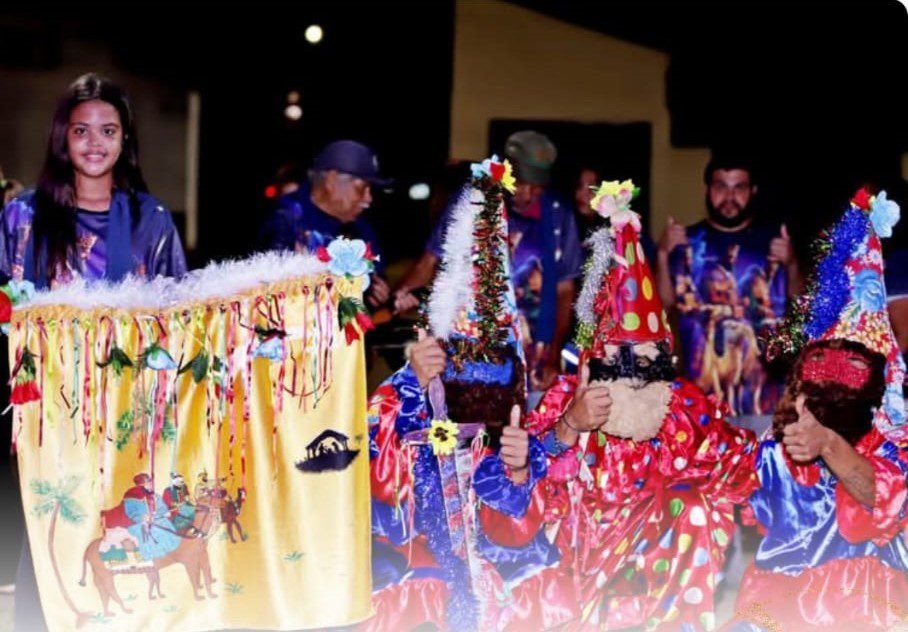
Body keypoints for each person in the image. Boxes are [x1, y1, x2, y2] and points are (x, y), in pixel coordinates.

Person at [477, 181, 760, 630]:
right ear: (596, 356)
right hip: (576, 556)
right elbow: (523, 487)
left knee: (695, 506)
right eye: (621, 354)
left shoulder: (681, 403)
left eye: (648, 354)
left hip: (654, 562)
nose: (635, 369)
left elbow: (744, 464)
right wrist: (569, 427)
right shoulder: (568, 396)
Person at [0, 72, 188, 632]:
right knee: (50, 530)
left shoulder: (152, 220)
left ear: (125, 140)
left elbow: (179, 317)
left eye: (109, 130)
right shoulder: (22, 217)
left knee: (123, 536)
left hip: (130, 412)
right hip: (49, 411)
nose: (95, 143)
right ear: (63, 137)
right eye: (81, 130)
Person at [365, 156, 565, 632]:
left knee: (531, 577)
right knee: (411, 586)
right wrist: (414, 381)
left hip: (492, 536)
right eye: (463, 360)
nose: (478, 377)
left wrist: (518, 470)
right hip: (419, 540)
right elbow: (379, 456)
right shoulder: (413, 392)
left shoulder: (513, 419)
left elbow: (520, 516)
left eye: (493, 365)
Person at [733, 187, 908, 630]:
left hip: (864, 602)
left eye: (852, 366)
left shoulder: (894, 438)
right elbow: (754, 510)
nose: (833, 379)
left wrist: (828, 444)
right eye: (821, 363)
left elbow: (884, 497)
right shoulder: (774, 444)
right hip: (779, 601)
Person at [395, 131, 583, 399]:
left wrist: (553, 352)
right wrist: (397, 297)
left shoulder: (558, 213)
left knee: (530, 422)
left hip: (535, 353)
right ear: (506, 174)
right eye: (522, 184)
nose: (528, 194)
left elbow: (565, 290)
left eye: (537, 187)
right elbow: (431, 260)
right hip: (473, 348)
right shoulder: (473, 201)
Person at [656, 153, 801, 418]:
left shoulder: (776, 243)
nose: (729, 196)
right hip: (700, 403)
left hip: (766, 402)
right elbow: (662, 305)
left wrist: (791, 263)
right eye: (721, 186)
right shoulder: (686, 242)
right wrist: (664, 254)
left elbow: (802, 303)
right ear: (707, 189)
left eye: (739, 187)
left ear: (753, 191)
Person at [259, 139, 392, 310]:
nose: (369, 198)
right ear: (331, 180)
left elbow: (376, 277)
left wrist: (377, 293)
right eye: (361, 188)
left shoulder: (360, 227)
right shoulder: (285, 218)